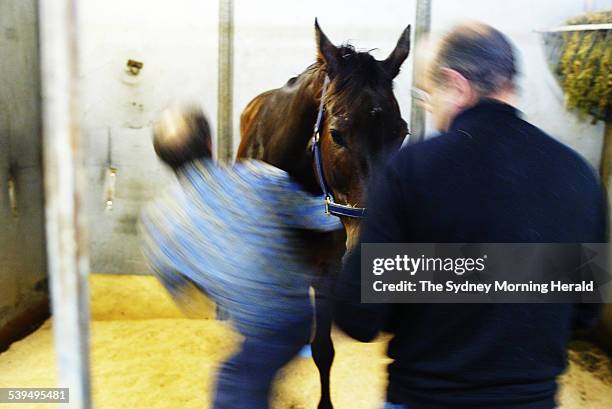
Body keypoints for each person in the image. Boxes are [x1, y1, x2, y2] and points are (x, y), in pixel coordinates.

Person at [334, 23, 606, 409]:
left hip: (427, 396)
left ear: (456, 84)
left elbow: (358, 316)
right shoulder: (578, 173)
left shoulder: (413, 170)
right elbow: (584, 313)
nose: (429, 107)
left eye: (427, 95)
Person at [140, 106, 342, 409]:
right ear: (209, 142)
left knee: (231, 391)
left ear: (162, 158)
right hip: (295, 318)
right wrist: (353, 200)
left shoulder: (158, 222)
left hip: (260, 329)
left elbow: (181, 291)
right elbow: (320, 217)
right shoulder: (258, 177)